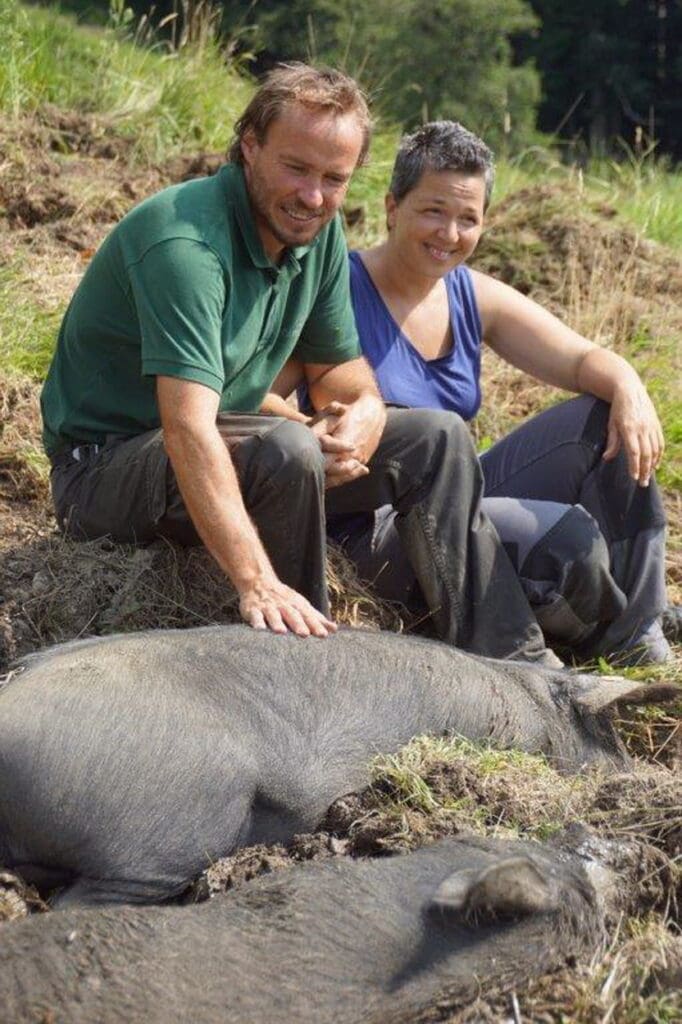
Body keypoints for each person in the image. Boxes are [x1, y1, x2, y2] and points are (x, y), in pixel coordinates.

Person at [40, 65, 559, 663]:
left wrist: (363, 412)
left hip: (224, 438)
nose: (313, 196)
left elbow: (338, 370)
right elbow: (186, 428)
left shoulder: (318, 234)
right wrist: (254, 580)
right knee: (284, 448)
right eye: (296, 168)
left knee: (437, 436)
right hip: (103, 470)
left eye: (333, 178)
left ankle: (511, 660)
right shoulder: (186, 246)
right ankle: (305, 665)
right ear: (250, 146)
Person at [323, 119, 673, 664]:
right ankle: (576, 631)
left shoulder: (470, 294)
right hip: (374, 526)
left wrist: (629, 383)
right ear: (393, 207)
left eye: (468, 218)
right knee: (568, 545)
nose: (449, 234)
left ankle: (636, 639)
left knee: (605, 420)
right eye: (434, 211)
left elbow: (581, 359)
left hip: (459, 498)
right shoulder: (335, 290)